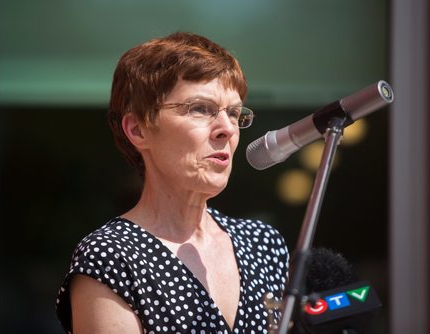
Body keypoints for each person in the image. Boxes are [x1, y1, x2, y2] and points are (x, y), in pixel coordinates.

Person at [55, 32, 289, 334]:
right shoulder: (111, 256)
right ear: (138, 130)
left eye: (233, 113)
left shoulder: (262, 243)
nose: (227, 129)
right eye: (200, 109)